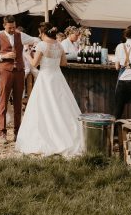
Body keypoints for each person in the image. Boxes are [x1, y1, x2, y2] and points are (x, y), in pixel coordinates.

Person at [16, 23, 84, 157]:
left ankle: (47, 137)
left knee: (42, 106)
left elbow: (34, 64)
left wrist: (27, 54)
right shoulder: (59, 45)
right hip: (58, 77)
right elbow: (64, 63)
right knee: (62, 106)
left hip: (45, 78)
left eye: (39, 32)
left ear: (42, 33)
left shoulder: (41, 45)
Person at [0, 16, 38, 143]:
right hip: (5, 71)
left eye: (14, 27)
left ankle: (17, 132)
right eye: (10, 28)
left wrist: (35, 49)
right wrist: (4, 56)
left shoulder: (20, 35)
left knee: (18, 103)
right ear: (4, 25)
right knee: (3, 102)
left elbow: (36, 39)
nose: (12, 30)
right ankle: (2, 133)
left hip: (19, 71)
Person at [112, 25, 131, 119]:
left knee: (117, 110)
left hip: (121, 81)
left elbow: (117, 67)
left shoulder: (119, 46)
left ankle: (114, 128)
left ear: (125, 36)